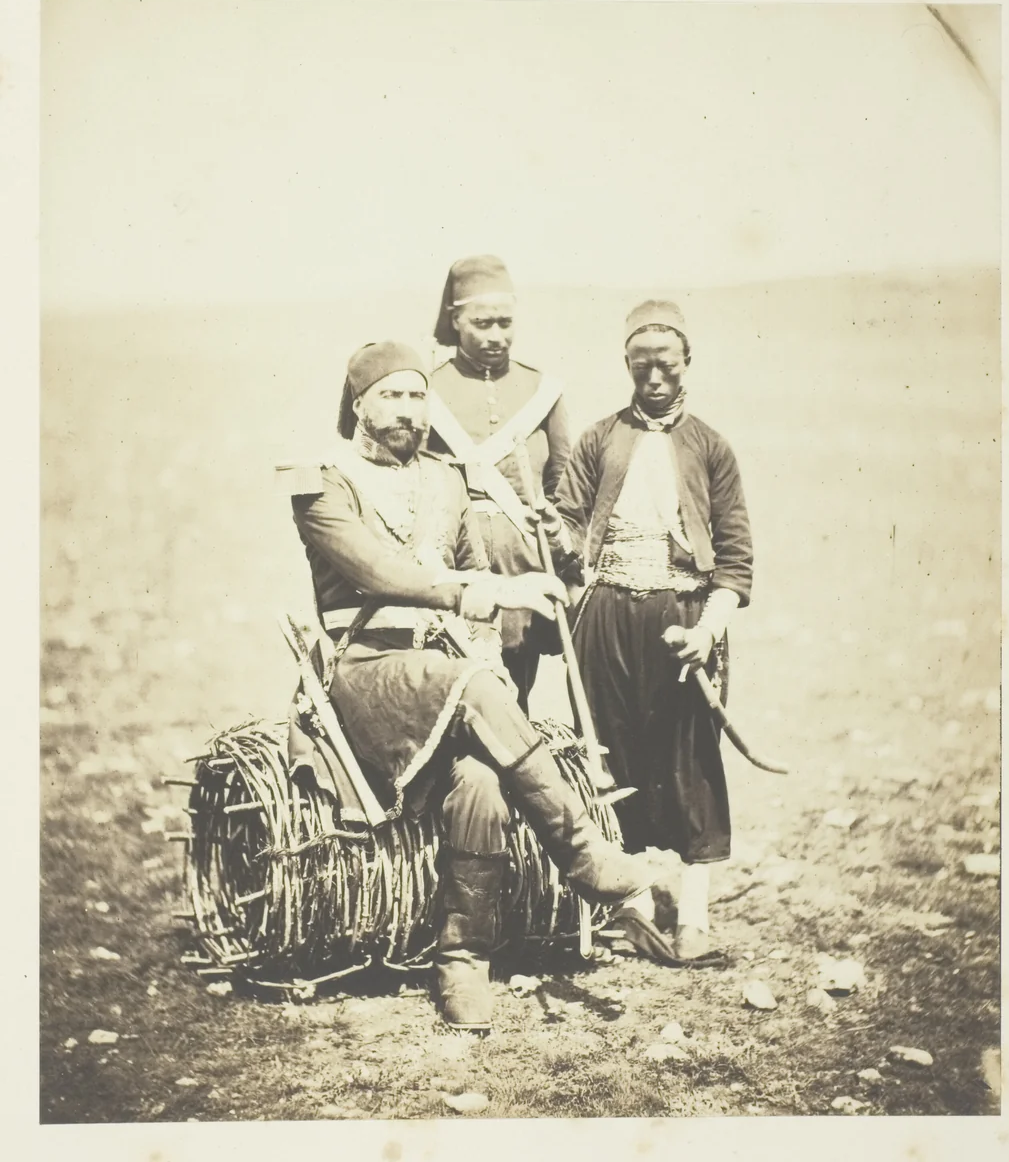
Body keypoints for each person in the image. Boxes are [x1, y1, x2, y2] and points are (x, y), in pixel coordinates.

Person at [282, 340, 654, 1031]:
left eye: (416, 395)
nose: (406, 409)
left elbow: (475, 576)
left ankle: (461, 961)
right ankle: (582, 855)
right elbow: (378, 575)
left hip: (449, 678)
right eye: (390, 395)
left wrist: (493, 624)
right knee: (469, 681)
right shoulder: (323, 483)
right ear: (358, 404)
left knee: (480, 783)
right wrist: (478, 595)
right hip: (366, 674)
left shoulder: (446, 480)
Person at [554, 300, 754, 966]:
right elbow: (567, 527)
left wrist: (707, 632)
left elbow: (735, 559)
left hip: (683, 620)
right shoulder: (597, 439)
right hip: (606, 617)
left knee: (690, 763)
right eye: (642, 366)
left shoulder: (710, 447)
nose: (655, 377)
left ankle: (692, 917)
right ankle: (631, 906)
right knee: (607, 757)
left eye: (666, 364)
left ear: (687, 362)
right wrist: (556, 534)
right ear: (626, 366)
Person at [426, 255, 575, 710]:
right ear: (455, 319)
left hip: (523, 562)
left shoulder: (542, 390)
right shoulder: (427, 390)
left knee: (517, 691)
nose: (496, 336)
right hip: (457, 562)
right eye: (482, 323)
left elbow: (564, 487)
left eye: (505, 323)